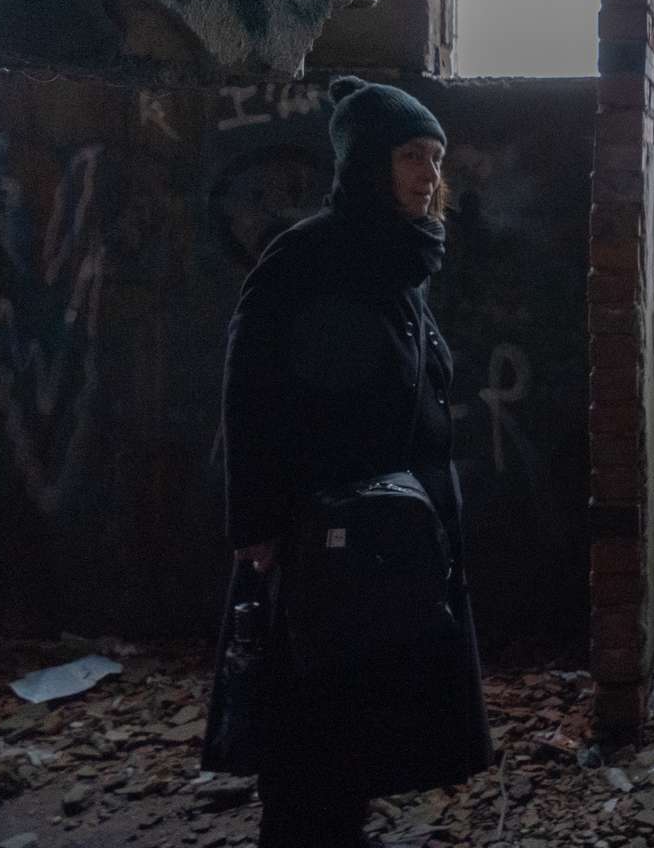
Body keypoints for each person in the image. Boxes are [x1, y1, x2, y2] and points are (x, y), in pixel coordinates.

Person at [202, 75, 494, 847]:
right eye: (409, 155)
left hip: (391, 532)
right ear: (367, 164)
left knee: (364, 707)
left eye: (435, 157)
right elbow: (249, 389)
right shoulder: (308, 255)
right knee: (310, 715)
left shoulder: (401, 260)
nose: (428, 174)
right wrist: (256, 522)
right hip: (320, 534)